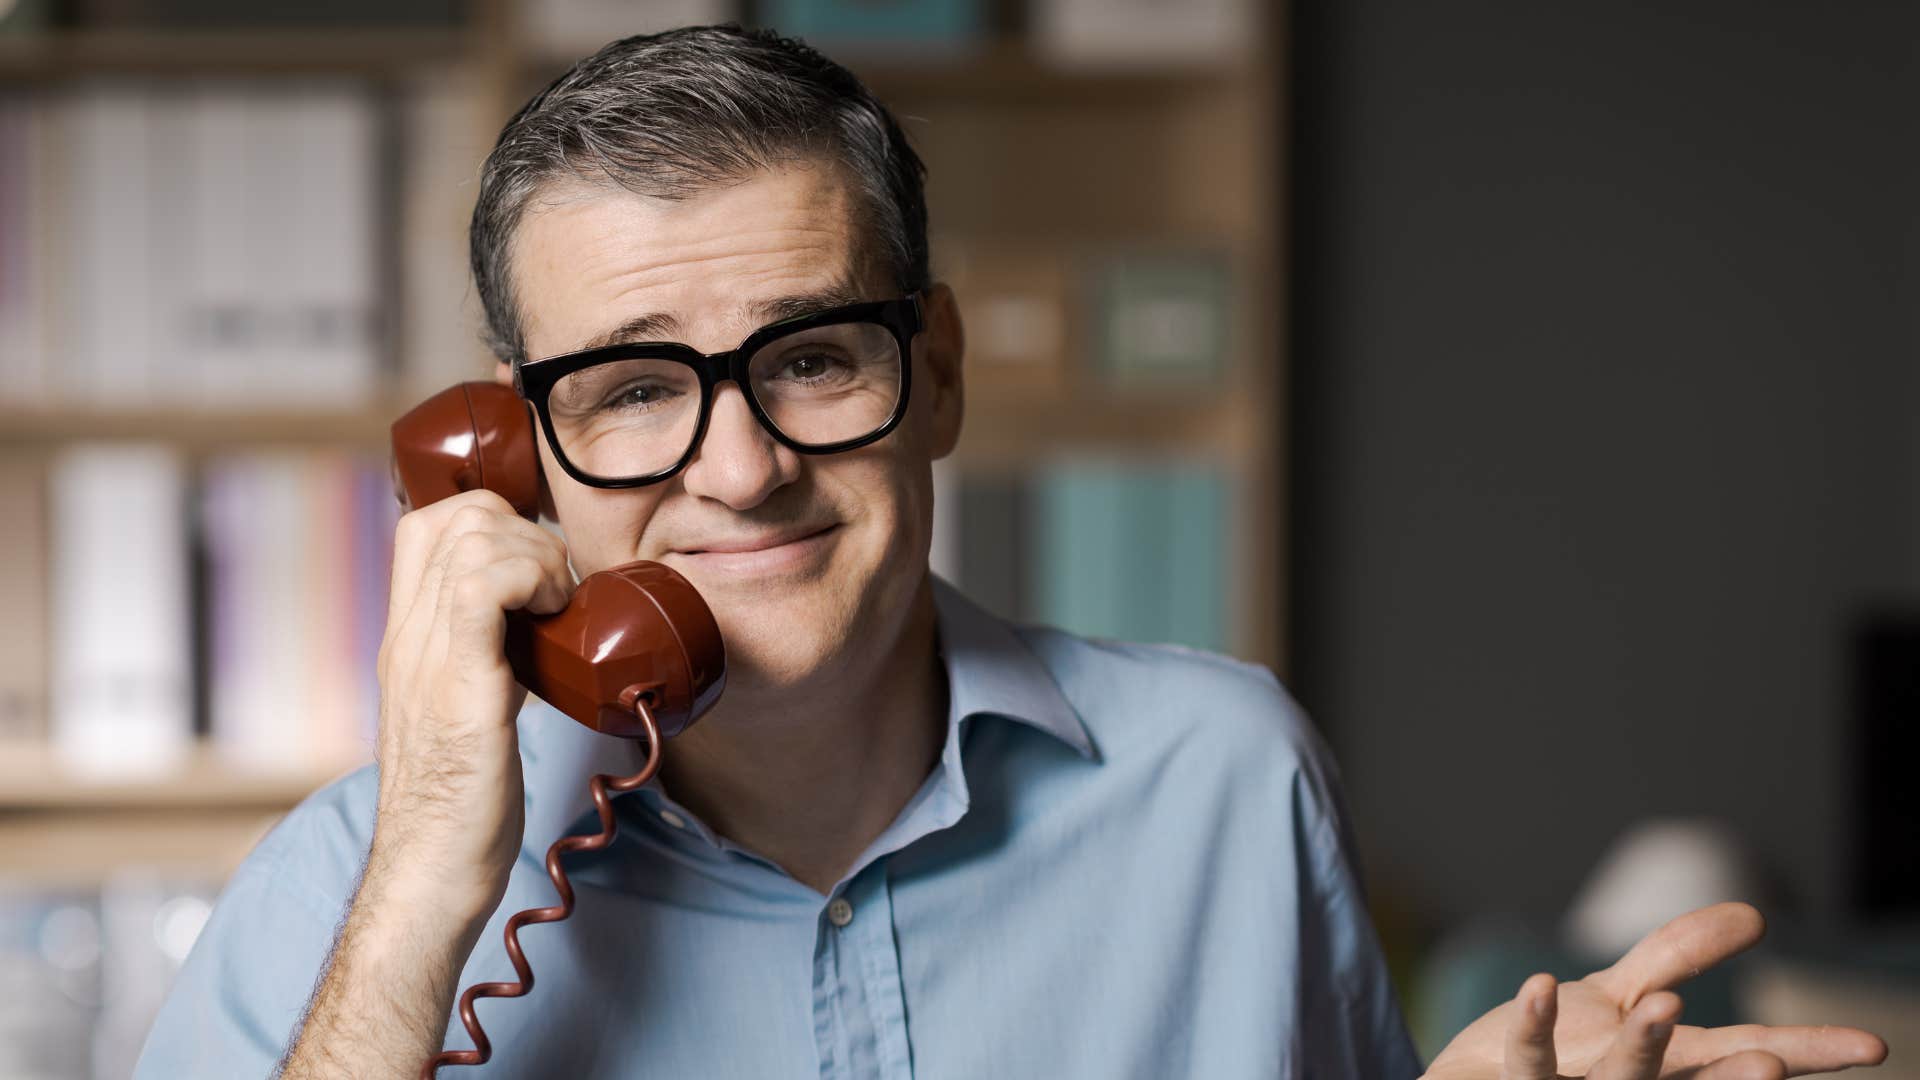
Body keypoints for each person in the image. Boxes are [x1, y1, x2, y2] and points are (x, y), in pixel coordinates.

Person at [134, 25, 1885, 1080]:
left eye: (813, 358)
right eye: (636, 389)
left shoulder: (1227, 782)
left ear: (939, 375)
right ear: (516, 454)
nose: (738, 469)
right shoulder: (363, 883)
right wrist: (440, 882)